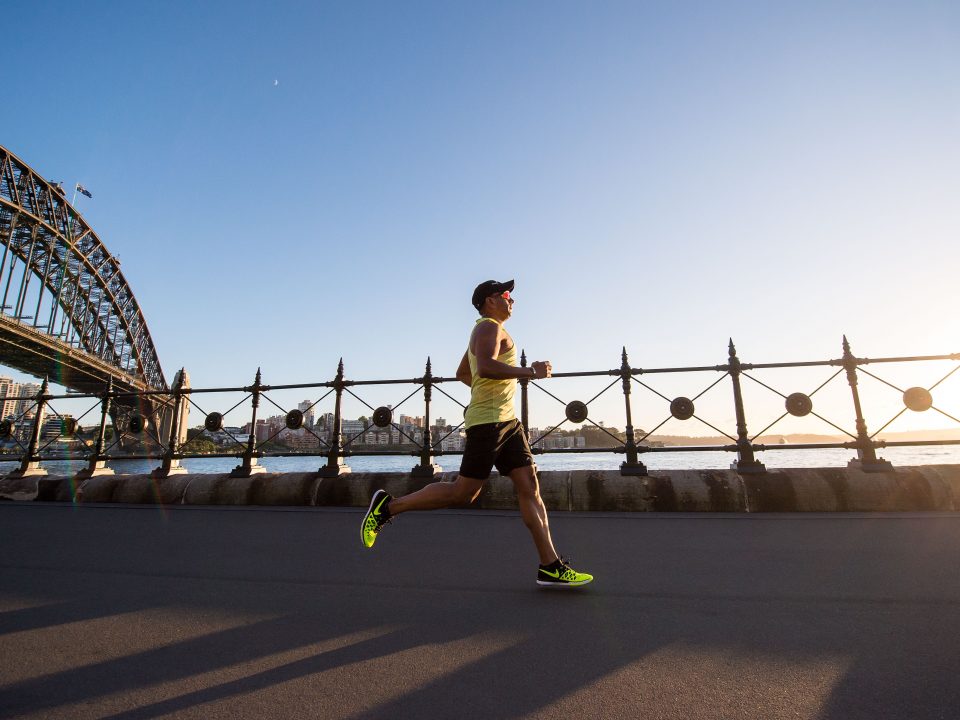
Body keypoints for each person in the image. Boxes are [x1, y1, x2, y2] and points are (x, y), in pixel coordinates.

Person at [360, 279, 593, 588]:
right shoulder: (488, 328)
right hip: (488, 424)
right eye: (506, 295)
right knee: (463, 493)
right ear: (488, 300)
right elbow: (483, 367)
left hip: (508, 422)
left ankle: (550, 565)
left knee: (529, 485)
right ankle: (387, 507)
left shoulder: (490, 330)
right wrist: (529, 372)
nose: (512, 300)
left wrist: (491, 393)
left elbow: (464, 373)